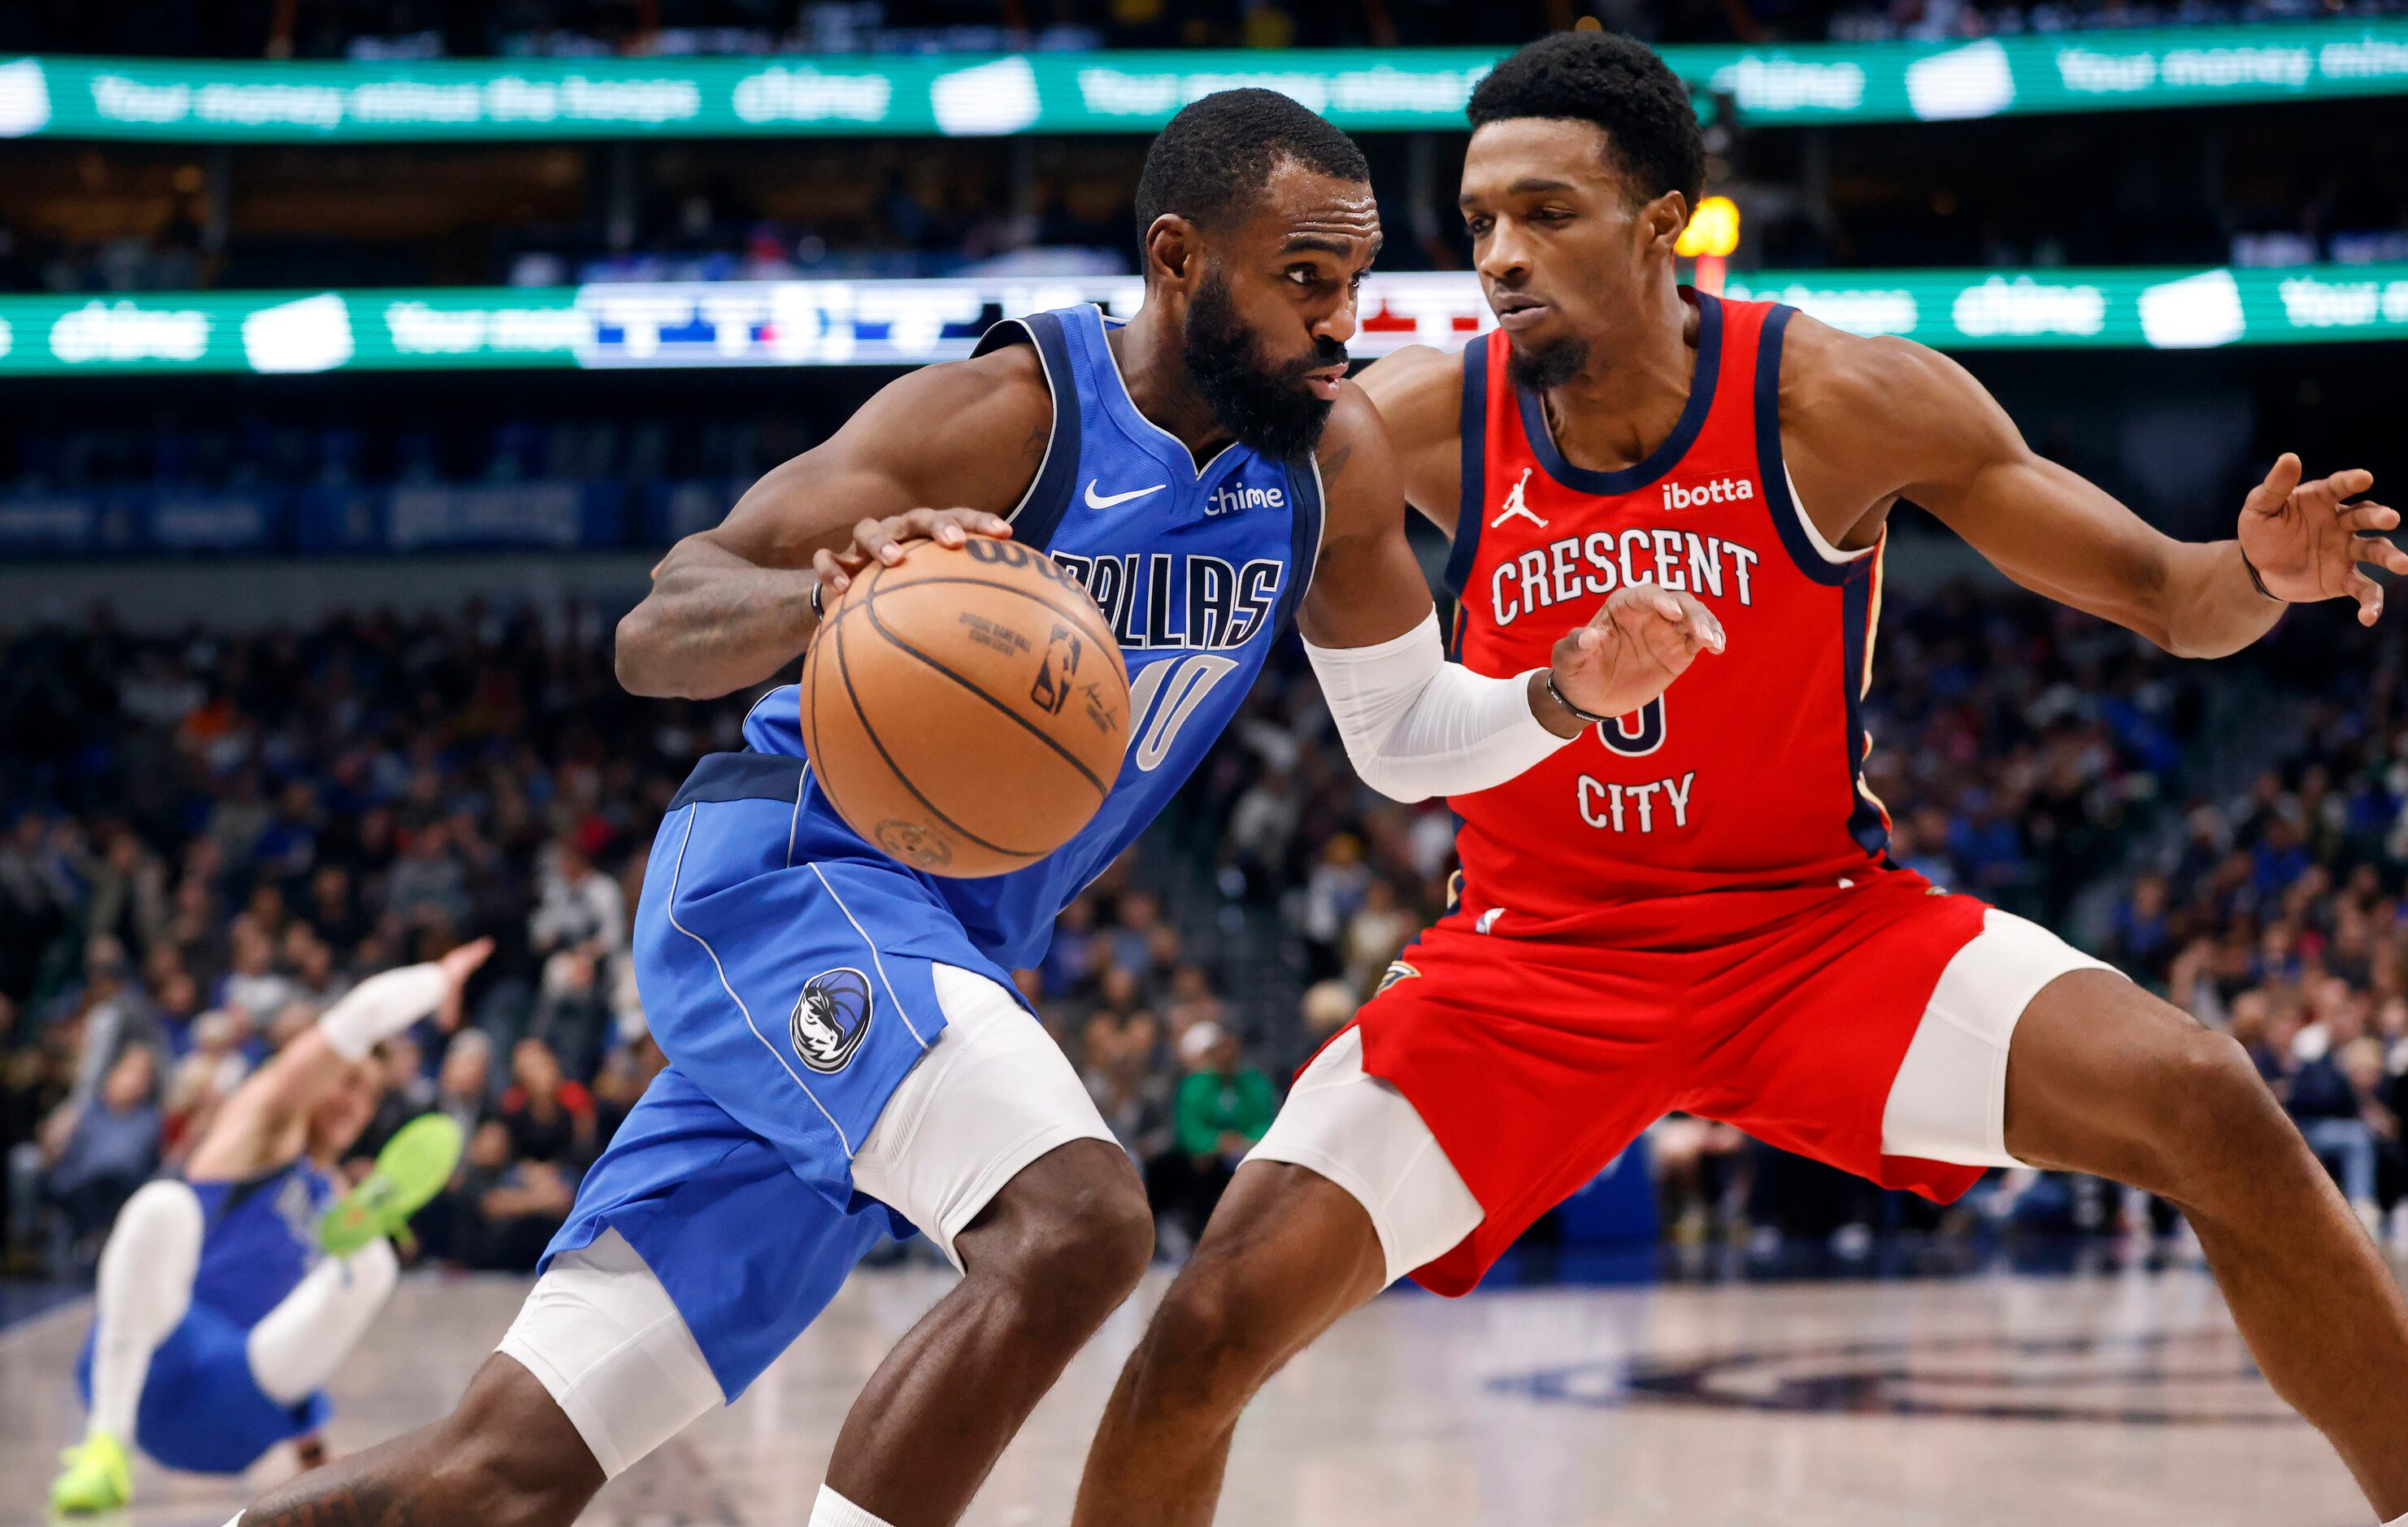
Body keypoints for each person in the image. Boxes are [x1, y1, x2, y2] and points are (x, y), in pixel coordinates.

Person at [225, 86, 1714, 1527]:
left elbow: (1400, 740)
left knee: (503, 1474)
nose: (1342, 320)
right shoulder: (1007, 414)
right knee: (1078, 1226)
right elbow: (656, 626)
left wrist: (1560, 692)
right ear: (1179, 261)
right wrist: (833, 589)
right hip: (783, 878)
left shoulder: (1326, 466)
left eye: (1356, 280)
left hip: (945, 949)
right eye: (1303, 278)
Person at [1073, 31, 2408, 1527]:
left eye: (1547, 214)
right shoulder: (1418, 421)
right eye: (1481, 222)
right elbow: (1166, 521)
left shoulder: (1839, 401)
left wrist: (2260, 574)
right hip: (1534, 966)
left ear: (1664, 223)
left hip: (1813, 935)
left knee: (2203, 1095)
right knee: (1199, 1332)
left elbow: (2171, 599)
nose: (1502, 257)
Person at [47, 940, 486, 1514]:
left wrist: (314, 1456)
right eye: (347, 1082)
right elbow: (357, 1019)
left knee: (373, 1260)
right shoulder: (260, 1124)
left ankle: (122, 1444)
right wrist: (438, 979)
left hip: (235, 1408)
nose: (356, 1105)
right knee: (163, 1206)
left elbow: (306, 1325)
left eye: (369, 1096)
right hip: (152, 1360)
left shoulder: (336, 1195)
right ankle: (104, 1447)